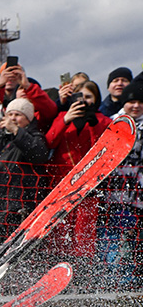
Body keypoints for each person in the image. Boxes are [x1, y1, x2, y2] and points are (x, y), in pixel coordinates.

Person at [45, 80, 112, 272]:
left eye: (88, 97)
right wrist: (65, 120)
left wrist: (94, 125)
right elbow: (50, 141)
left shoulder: (104, 121)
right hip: (61, 185)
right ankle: (55, 271)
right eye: (80, 97)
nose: (84, 101)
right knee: (60, 232)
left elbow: (106, 150)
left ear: (96, 99)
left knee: (84, 235)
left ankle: (82, 273)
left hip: (89, 188)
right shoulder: (62, 116)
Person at [0, 97, 50, 239]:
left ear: (28, 119)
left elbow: (39, 154)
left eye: (18, 115)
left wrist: (16, 131)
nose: (12, 118)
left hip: (17, 203)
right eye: (10, 114)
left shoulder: (35, 136)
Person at [97, 79, 143, 289]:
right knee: (111, 236)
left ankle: (130, 281)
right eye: (131, 101)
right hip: (113, 192)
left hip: (138, 194)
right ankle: (108, 279)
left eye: (140, 102)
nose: (136, 106)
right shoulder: (113, 123)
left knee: (133, 239)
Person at [0, 61, 58, 132]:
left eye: (26, 89)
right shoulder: (5, 111)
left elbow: (50, 109)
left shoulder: (39, 116)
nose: (24, 91)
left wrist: (28, 86)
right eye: (21, 88)